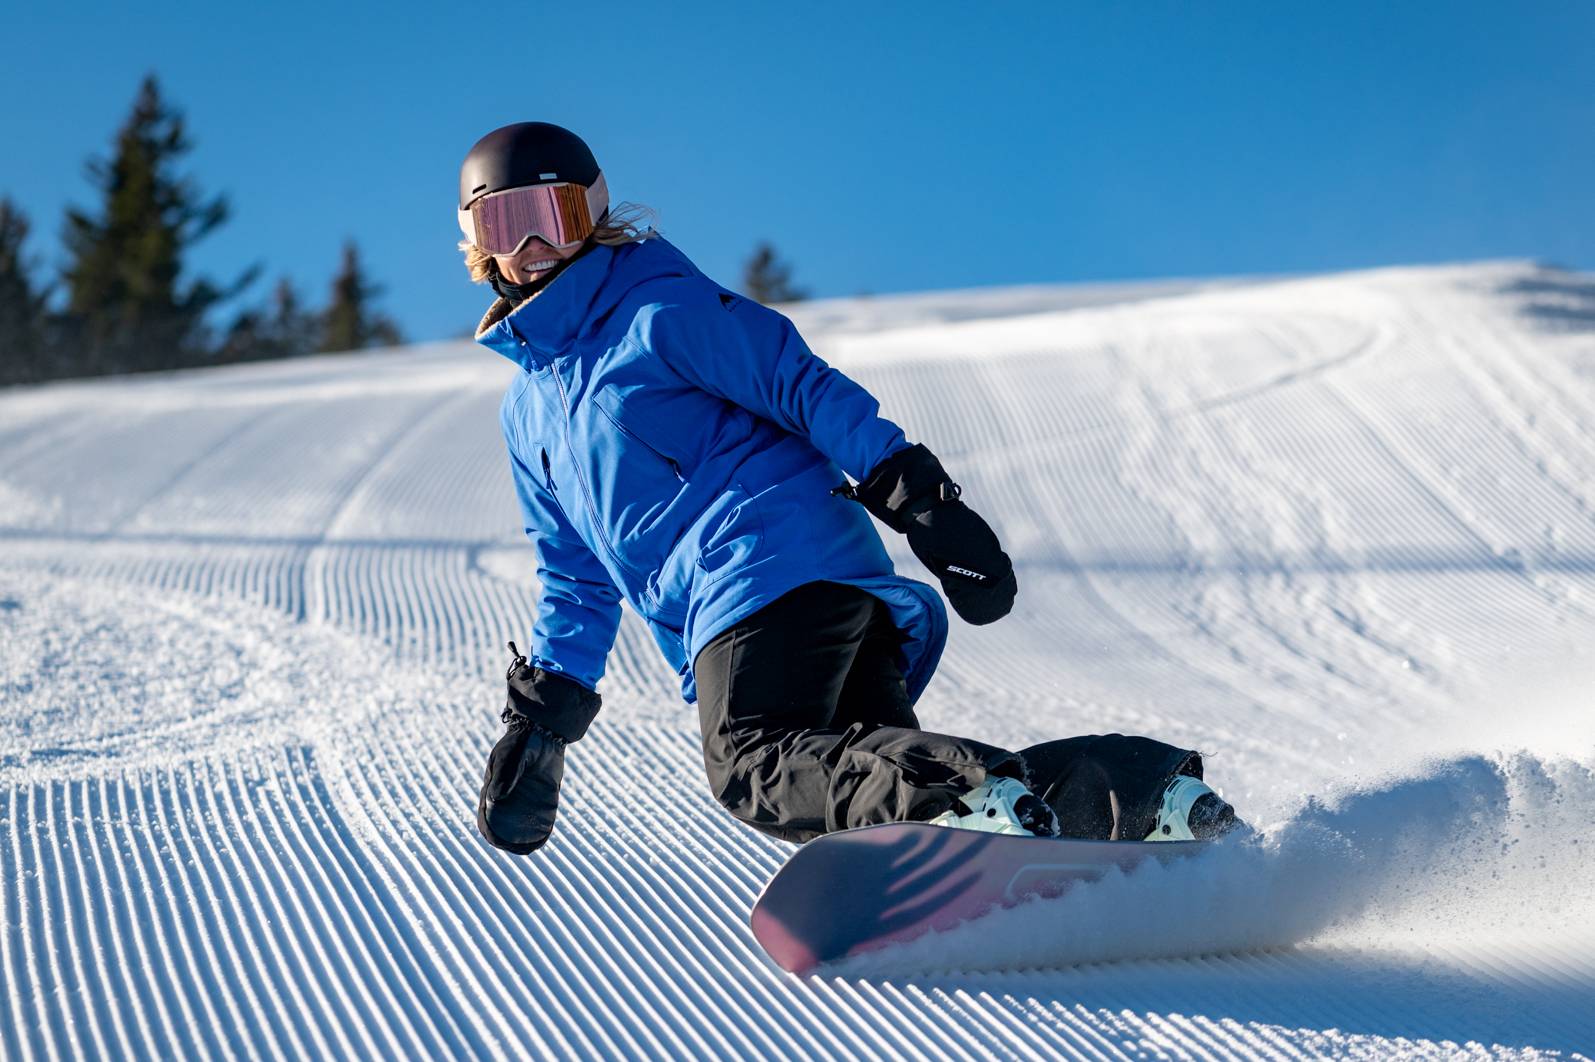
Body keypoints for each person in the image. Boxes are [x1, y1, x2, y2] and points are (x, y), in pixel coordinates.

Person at [459, 122, 1242, 854]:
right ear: (476, 243)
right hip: (806, 601)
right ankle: (1140, 801)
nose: (530, 247)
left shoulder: (658, 309)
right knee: (864, 801)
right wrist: (541, 723)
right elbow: (575, 575)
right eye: (504, 225)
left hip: (762, 577)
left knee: (752, 765)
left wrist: (922, 504)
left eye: (550, 218)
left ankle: (977, 801)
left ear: (591, 214)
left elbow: (799, 385)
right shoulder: (526, 414)